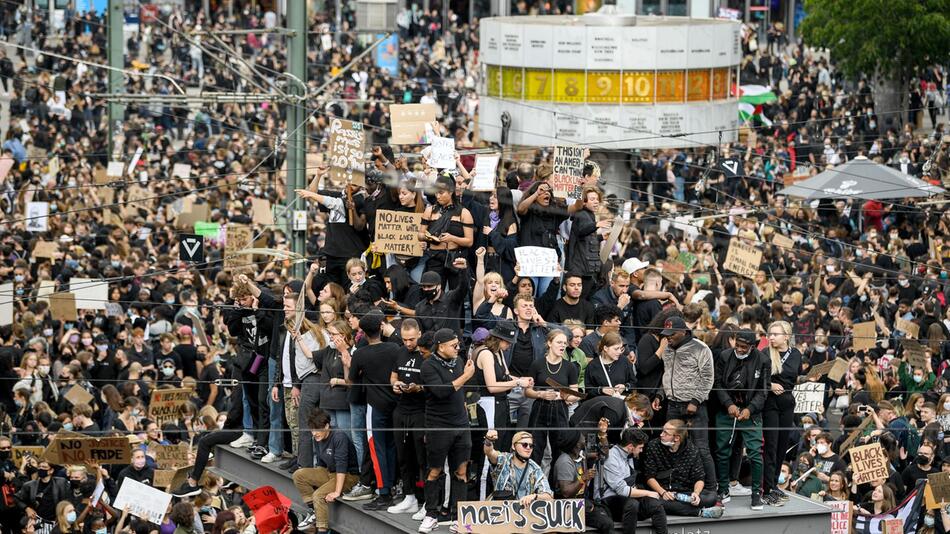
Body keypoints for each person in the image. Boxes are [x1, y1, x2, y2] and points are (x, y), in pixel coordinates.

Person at [418, 329, 476, 533]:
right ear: (441, 346)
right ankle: (431, 514)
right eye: (454, 345)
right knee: (434, 471)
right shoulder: (427, 366)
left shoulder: (459, 361)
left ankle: (458, 515)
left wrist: (465, 374)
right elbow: (441, 391)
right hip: (438, 426)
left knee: (461, 472)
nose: (458, 348)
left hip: (461, 424)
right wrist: (466, 377)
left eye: (458, 344)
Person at [656, 316, 717, 494]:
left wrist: (695, 400)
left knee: (701, 448)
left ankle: (712, 489)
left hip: (695, 407)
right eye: (666, 334)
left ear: (683, 332)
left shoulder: (701, 348)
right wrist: (661, 394)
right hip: (673, 403)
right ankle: (677, 485)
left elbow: (708, 378)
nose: (668, 337)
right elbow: (667, 374)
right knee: (670, 445)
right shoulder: (667, 349)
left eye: (672, 334)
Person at [472, 321, 530, 498]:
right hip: (489, 403)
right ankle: (481, 501)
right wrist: (517, 383)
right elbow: (492, 386)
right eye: (507, 342)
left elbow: (505, 376)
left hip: (502, 404)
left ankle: (495, 494)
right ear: (498, 339)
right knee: (489, 449)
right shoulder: (486, 354)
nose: (508, 346)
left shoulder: (498, 353)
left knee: (500, 450)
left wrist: (521, 379)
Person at [713, 329, 769, 509]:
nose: (739, 349)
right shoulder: (724, 355)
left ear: (752, 347)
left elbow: (763, 391)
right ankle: (723, 488)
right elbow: (718, 383)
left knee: (755, 453)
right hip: (726, 411)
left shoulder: (763, 360)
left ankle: (756, 494)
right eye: (737, 345)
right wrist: (728, 404)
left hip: (751, 413)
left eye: (744, 347)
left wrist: (750, 409)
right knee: (722, 450)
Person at [292, 410, 361, 534]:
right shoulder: (317, 438)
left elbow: (342, 467)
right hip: (329, 472)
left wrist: (336, 492)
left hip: (348, 475)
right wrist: (313, 477)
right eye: (312, 430)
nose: (314, 433)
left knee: (318, 495)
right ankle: (314, 511)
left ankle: (322, 531)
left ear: (327, 426)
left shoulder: (339, 437)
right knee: (299, 475)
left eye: (317, 430)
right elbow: (321, 463)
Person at [643, 420, 723, 518]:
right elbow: (649, 477)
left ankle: (680, 506)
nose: (661, 435)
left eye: (665, 433)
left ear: (676, 438)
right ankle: (699, 512)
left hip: (684, 493)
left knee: (712, 497)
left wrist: (696, 494)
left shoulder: (692, 450)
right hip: (662, 493)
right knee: (652, 502)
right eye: (662, 431)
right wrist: (663, 492)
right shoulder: (653, 446)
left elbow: (699, 478)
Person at [525, 329, 581, 467]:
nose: (563, 346)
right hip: (540, 407)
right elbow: (527, 391)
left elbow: (576, 393)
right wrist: (540, 394)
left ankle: (555, 486)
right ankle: (533, 485)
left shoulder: (570, 367)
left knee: (560, 449)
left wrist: (563, 395)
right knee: (535, 448)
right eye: (559, 342)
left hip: (560, 408)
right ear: (549, 343)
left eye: (564, 343)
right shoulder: (537, 364)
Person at [762, 320, 802, 506]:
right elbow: (755, 378)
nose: (771, 337)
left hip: (787, 403)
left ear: (786, 336)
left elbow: (794, 377)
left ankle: (774, 484)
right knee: (770, 445)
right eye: (770, 334)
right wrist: (769, 385)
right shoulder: (764, 354)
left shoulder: (795, 354)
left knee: (781, 446)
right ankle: (767, 487)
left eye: (775, 334)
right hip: (770, 404)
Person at [600, 428, 668, 534]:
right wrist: (649, 493)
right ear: (631, 447)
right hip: (609, 502)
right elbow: (622, 490)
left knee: (655, 504)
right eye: (640, 448)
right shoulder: (611, 459)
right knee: (632, 504)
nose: (641, 451)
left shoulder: (630, 455)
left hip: (629, 499)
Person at [482, 430, 553, 505]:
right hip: (501, 511)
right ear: (513, 446)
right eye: (524, 445)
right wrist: (488, 440)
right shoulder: (503, 460)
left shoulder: (535, 469)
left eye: (531, 446)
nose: (528, 448)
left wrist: (534, 496)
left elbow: (548, 496)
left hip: (524, 512)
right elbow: (489, 452)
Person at [584, 332, 637, 398]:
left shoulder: (624, 361)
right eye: (616, 349)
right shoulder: (592, 366)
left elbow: (634, 383)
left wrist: (625, 387)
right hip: (602, 404)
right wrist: (601, 390)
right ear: (605, 348)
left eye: (620, 348)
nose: (619, 352)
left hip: (621, 403)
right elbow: (588, 390)